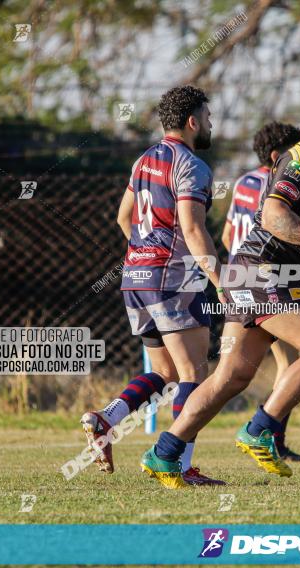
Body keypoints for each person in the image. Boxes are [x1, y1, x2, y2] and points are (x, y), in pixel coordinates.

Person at [139, 89, 300, 488]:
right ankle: (259, 429)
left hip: (272, 274)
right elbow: (273, 215)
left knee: (230, 377)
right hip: (261, 271)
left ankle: (164, 454)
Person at [80, 86, 223, 486]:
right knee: (194, 371)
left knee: (164, 371)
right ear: (193, 122)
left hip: (135, 276)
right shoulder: (191, 165)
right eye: (208, 118)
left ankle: (107, 418)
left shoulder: (142, 161)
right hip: (172, 277)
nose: (211, 125)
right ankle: (179, 464)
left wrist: (144, 252)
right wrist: (220, 281)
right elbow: (193, 229)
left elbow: (124, 218)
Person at [222, 121, 300, 462]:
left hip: (238, 277)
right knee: (297, 361)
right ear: (279, 156)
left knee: (229, 374)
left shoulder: (243, 183)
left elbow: (227, 235)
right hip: (270, 280)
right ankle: (270, 437)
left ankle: (175, 445)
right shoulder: (280, 183)